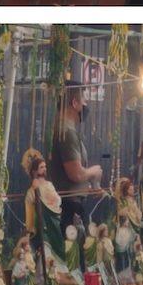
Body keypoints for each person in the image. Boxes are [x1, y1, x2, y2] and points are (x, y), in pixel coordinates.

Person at [49, 82, 103, 234]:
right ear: (74, 103)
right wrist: (94, 171)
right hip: (69, 206)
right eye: (84, 101)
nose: (86, 106)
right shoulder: (66, 132)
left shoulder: (64, 129)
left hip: (70, 203)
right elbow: (76, 174)